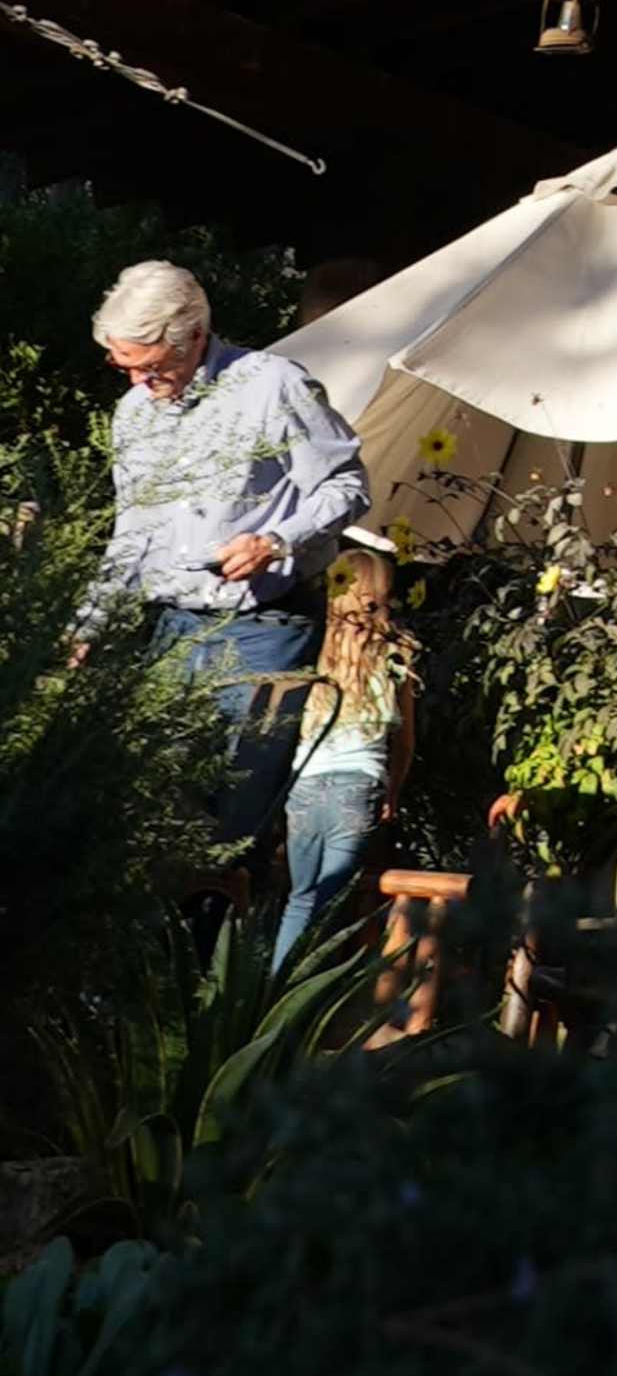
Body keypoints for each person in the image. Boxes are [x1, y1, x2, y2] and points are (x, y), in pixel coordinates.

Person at [80, 258, 367, 850]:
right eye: (122, 365)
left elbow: (348, 485)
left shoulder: (273, 386)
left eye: (151, 367)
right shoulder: (134, 413)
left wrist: (276, 539)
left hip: (263, 627)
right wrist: (89, 624)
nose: (137, 382)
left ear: (193, 337)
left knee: (233, 817)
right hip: (173, 629)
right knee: (159, 806)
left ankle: (226, 933)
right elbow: (131, 532)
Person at [275, 540, 415, 970]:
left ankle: (267, 1000)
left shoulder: (312, 646)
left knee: (300, 901)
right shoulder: (395, 655)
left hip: (304, 784)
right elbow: (406, 739)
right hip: (358, 786)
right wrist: (393, 789)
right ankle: (301, 1007)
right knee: (330, 905)